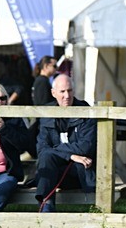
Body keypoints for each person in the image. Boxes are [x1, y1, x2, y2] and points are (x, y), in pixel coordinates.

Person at [34, 75, 97, 213]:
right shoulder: (47, 112)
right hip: (52, 170)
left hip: (80, 172)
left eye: (69, 90)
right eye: (62, 91)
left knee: (48, 155)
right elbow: (42, 148)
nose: (67, 96)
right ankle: (47, 205)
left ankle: (45, 206)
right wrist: (72, 155)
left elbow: (86, 146)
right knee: (46, 156)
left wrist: (59, 152)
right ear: (53, 93)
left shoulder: (86, 111)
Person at [0, 84, 32, 211]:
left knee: (6, 186)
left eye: (3, 98)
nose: (0, 102)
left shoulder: (14, 119)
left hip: (5, 172)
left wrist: (5, 129)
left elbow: (27, 145)